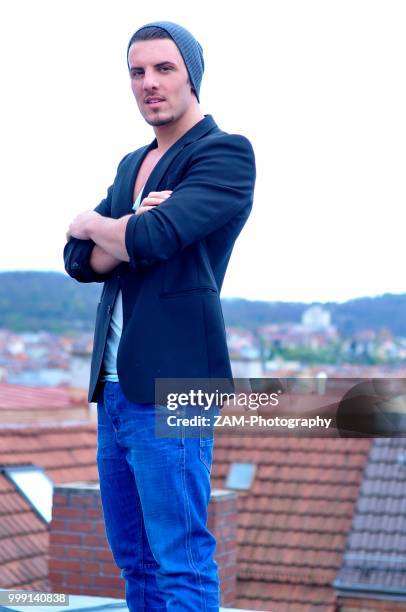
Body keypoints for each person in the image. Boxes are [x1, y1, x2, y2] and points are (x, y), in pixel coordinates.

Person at [64, 20, 256, 612]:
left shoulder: (225, 154)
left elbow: (155, 236)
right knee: (135, 560)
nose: (149, 83)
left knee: (180, 560)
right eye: (137, 72)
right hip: (115, 391)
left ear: (192, 75)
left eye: (164, 69)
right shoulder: (132, 165)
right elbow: (76, 260)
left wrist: (100, 225)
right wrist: (123, 228)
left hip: (176, 387)